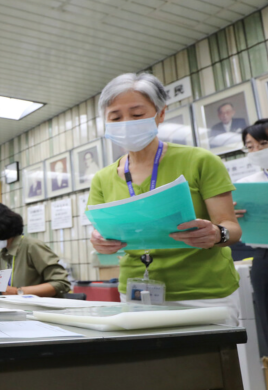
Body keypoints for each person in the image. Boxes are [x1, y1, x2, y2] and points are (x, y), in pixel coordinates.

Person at [89, 73, 241, 325]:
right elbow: (102, 234)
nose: (126, 122)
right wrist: (100, 243)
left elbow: (232, 229)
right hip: (135, 293)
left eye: (137, 114)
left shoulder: (200, 161)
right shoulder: (102, 178)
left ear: (160, 114)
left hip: (204, 293)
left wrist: (217, 233)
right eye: (115, 117)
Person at [0, 202, 70, 297]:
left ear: (1, 226)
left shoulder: (31, 246)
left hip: (42, 311)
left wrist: (17, 292)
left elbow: (61, 283)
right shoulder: (3, 254)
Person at [235, 119, 268, 357]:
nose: (257, 152)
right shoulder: (247, 184)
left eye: (263, 144)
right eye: (250, 146)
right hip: (264, 257)